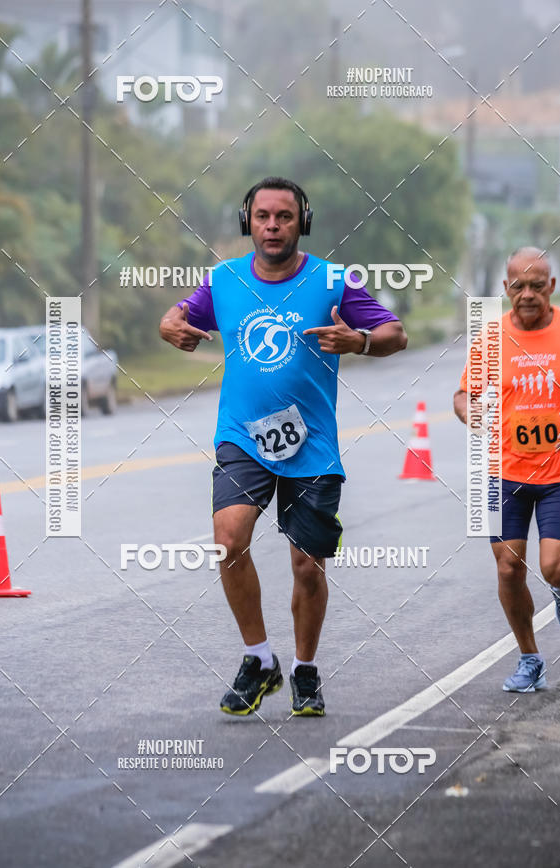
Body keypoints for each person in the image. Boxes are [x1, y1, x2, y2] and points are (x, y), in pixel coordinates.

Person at [160, 177, 407, 716]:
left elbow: (396, 333)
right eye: (263, 216)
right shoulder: (223, 280)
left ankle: (305, 669)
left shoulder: (334, 280)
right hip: (242, 437)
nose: (273, 225)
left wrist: (360, 341)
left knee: (306, 567)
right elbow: (178, 317)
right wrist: (170, 325)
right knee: (228, 539)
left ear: (303, 223)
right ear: (247, 221)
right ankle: (258, 659)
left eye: (285, 217)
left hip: (311, 445)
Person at [454, 247, 560, 692]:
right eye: (518, 286)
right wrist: (472, 413)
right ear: (505, 289)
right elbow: (463, 395)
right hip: (501, 473)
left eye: (537, 285)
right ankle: (530, 658)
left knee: (557, 567)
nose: (527, 294)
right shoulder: (489, 338)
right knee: (508, 568)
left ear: (552, 287)